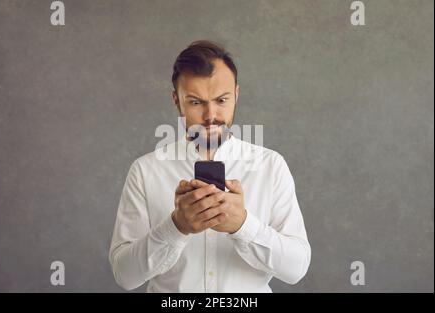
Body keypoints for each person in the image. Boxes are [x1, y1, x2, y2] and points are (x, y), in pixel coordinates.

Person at [109, 40, 311, 292]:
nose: (210, 115)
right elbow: (125, 276)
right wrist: (176, 227)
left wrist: (242, 225)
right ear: (176, 100)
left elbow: (296, 268)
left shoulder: (270, 166)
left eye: (221, 100)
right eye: (195, 102)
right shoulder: (146, 170)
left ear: (236, 94)